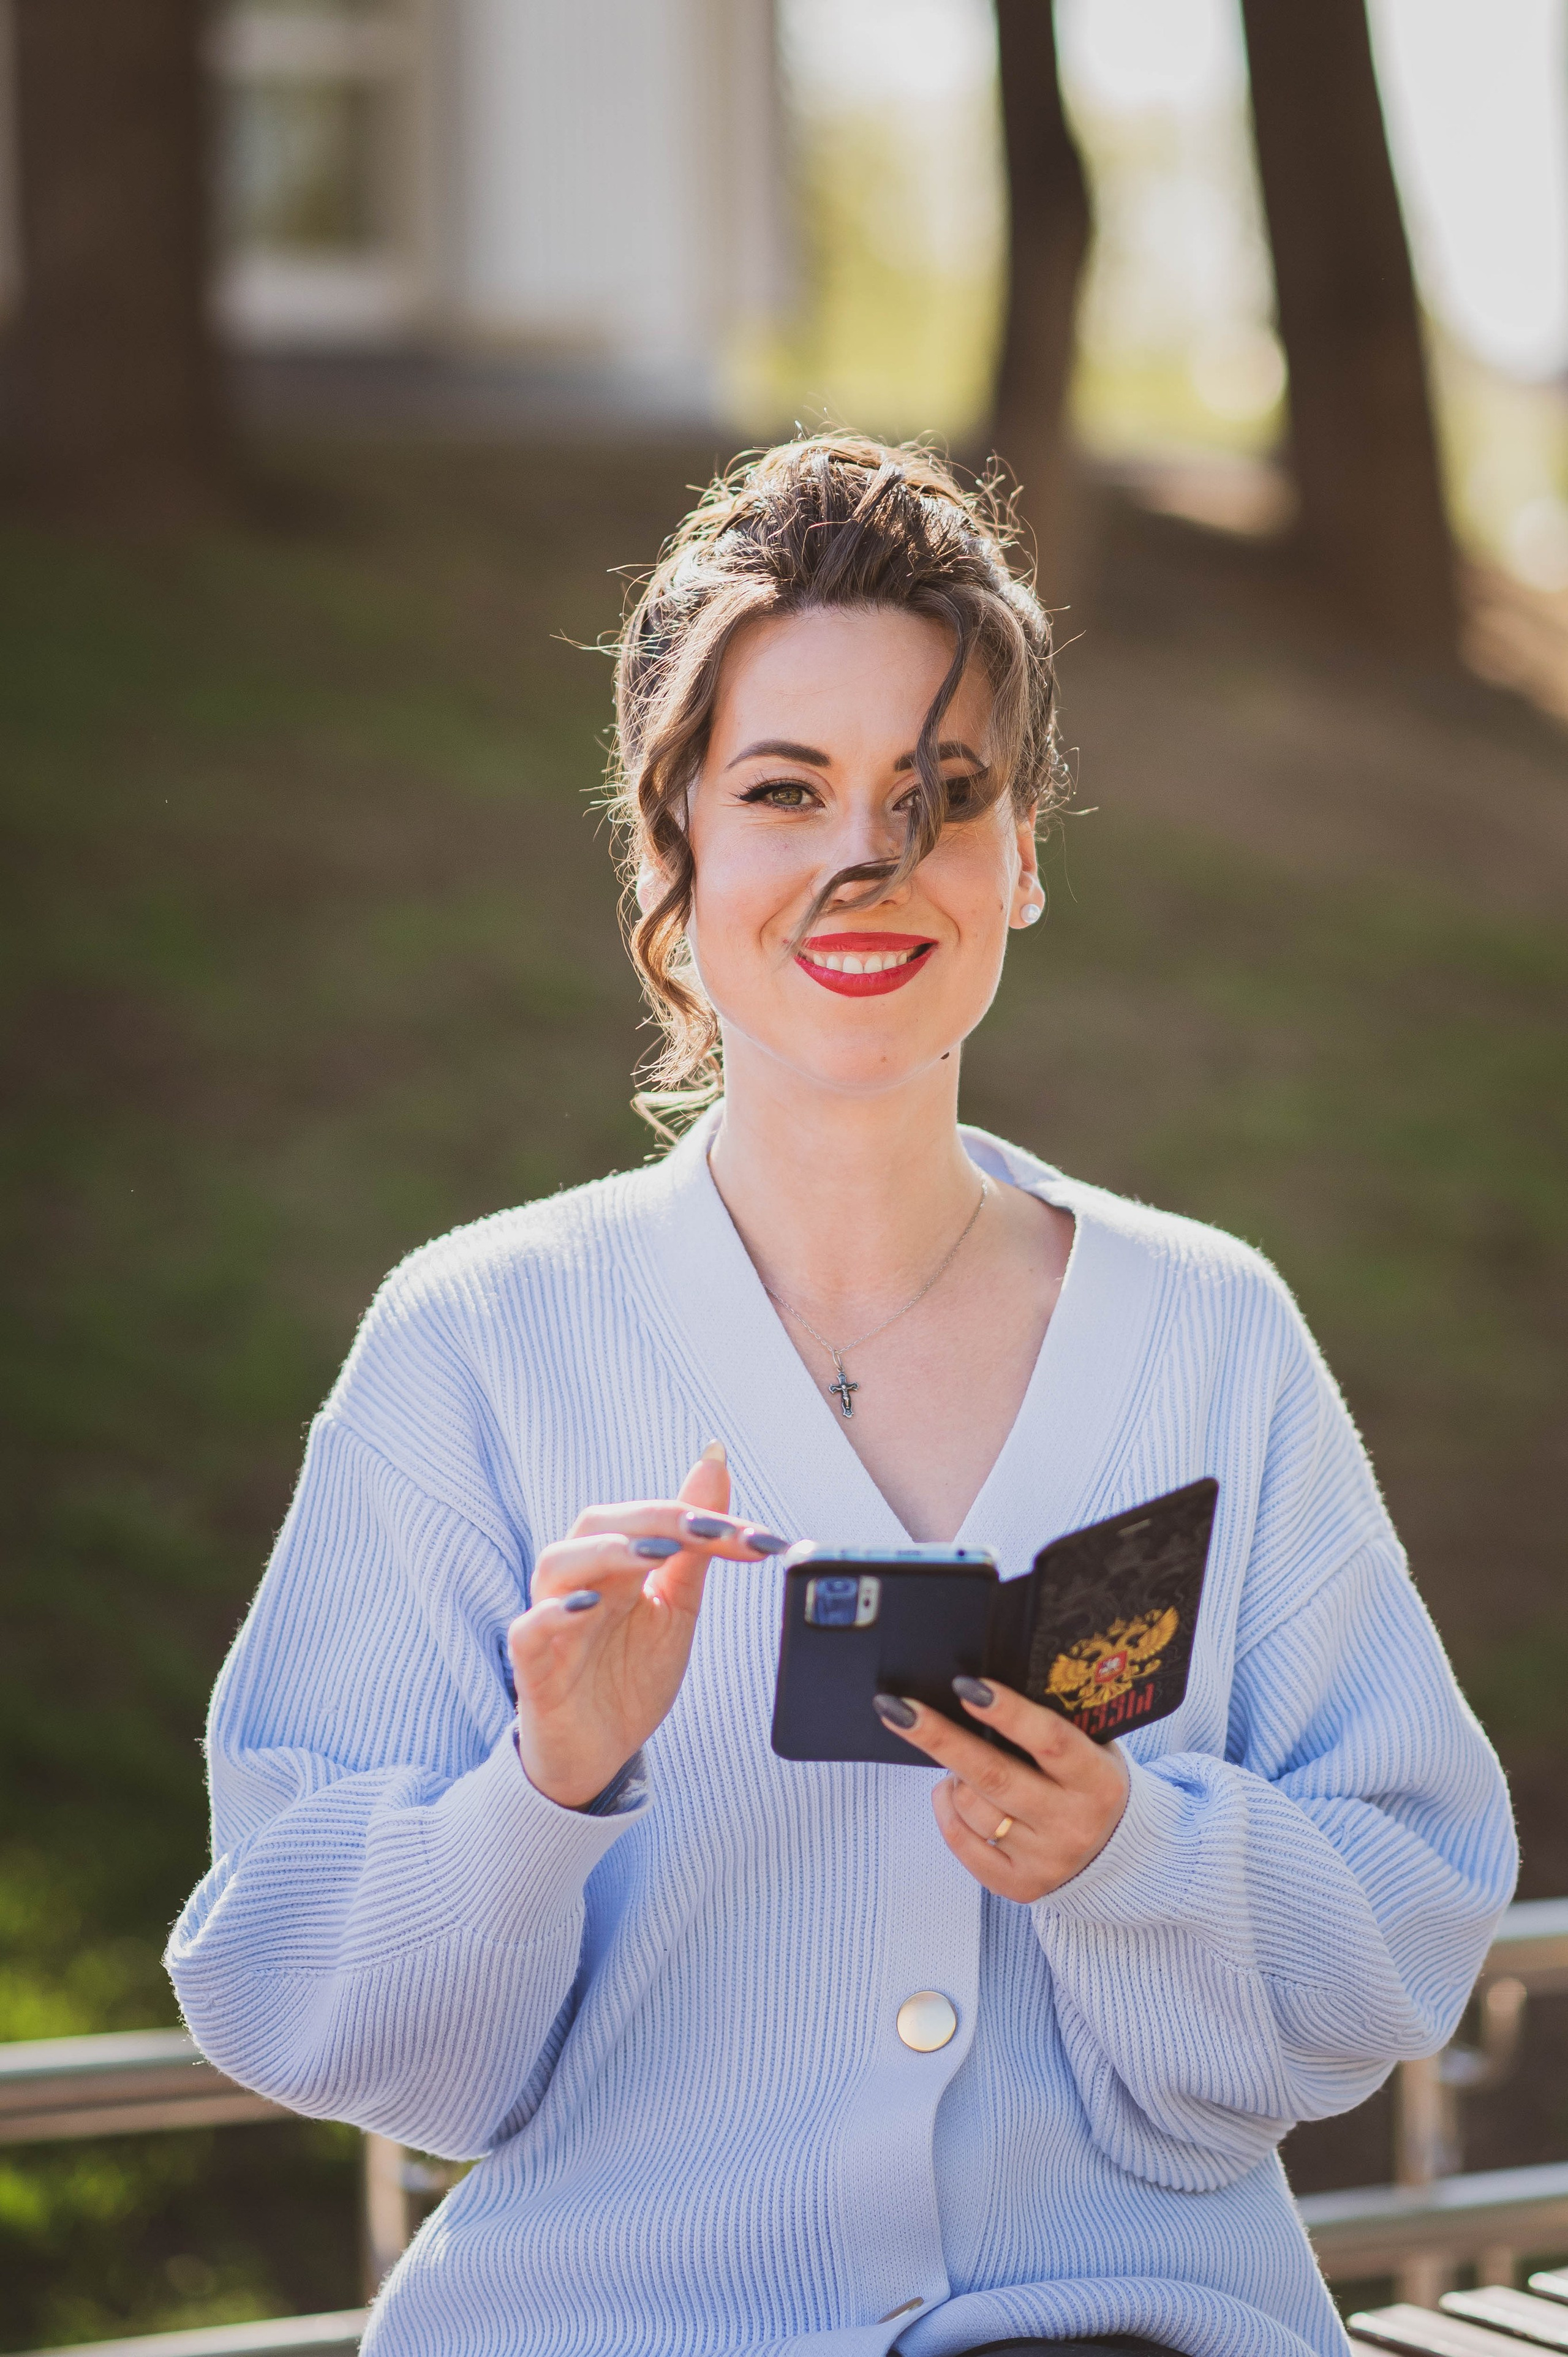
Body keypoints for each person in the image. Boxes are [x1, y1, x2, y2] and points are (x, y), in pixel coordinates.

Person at [167, 436, 1515, 2357]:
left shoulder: (1212, 1334)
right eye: (785, 790)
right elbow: (293, 1984)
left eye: (939, 795)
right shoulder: (477, 1340)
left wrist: (1132, 1854)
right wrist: (540, 1792)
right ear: (674, 849)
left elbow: (1417, 1896)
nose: (865, 862)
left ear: (1024, 856)